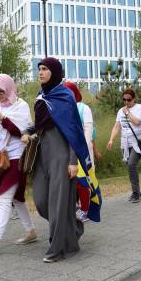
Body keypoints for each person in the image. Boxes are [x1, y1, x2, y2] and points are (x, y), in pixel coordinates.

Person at [25, 58, 91, 262]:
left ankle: (57, 248)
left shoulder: (65, 96)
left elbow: (74, 129)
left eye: (44, 69)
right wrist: (27, 131)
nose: (40, 72)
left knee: (58, 203)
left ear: (54, 71)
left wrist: (73, 160)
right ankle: (73, 225)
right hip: (42, 155)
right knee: (42, 202)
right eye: (39, 69)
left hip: (62, 156)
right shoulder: (41, 95)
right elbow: (40, 124)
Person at [0, 74, 36, 256]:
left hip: (17, 158)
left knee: (4, 197)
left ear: (9, 89)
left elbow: (21, 132)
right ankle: (31, 232)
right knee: (17, 199)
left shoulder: (21, 106)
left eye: (1, 91)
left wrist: (3, 118)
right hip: (2, 158)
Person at [107, 88, 141, 203]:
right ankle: (137, 191)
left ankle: (135, 193)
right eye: (124, 99)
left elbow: (137, 122)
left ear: (134, 99)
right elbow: (117, 126)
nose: (126, 102)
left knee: (131, 164)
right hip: (125, 143)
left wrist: (128, 112)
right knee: (130, 167)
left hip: (137, 143)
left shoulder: (139, 108)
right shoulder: (120, 111)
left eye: (128, 100)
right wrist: (111, 140)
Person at [64, 81, 94, 222]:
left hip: (82, 152)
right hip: (67, 152)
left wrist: (83, 149)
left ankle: (85, 209)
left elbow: (88, 130)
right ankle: (76, 206)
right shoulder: (63, 109)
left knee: (82, 181)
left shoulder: (83, 108)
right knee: (72, 180)